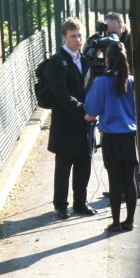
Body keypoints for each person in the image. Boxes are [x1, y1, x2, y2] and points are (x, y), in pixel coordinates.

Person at [84, 35, 138, 233]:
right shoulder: (131, 81)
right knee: (130, 179)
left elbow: (91, 110)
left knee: (114, 180)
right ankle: (130, 221)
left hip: (111, 137)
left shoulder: (102, 82)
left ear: (107, 60)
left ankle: (115, 222)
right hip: (129, 136)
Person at [46, 17, 97, 220]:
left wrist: (93, 108)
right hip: (66, 123)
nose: (78, 40)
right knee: (64, 165)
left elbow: (91, 87)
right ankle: (60, 205)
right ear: (64, 37)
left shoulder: (84, 60)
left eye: (80, 36)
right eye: (73, 36)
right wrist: (82, 110)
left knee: (84, 163)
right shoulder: (57, 62)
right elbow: (61, 94)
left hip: (85, 122)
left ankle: (80, 203)